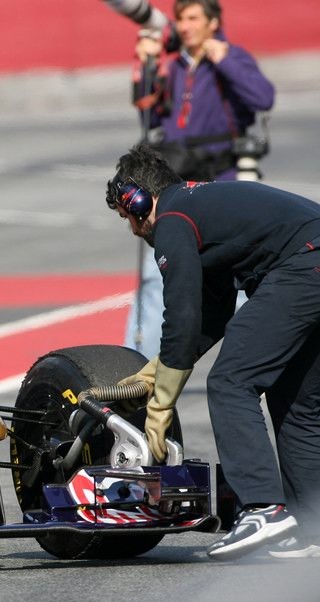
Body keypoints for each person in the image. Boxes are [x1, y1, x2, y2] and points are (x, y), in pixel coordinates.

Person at [107, 143, 320, 561]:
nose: (133, 230)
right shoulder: (200, 206)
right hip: (309, 264)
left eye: (127, 217)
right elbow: (213, 312)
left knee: (230, 381)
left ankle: (262, 509)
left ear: (138, 199)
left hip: (303, 267)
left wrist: (162, 402)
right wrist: (157, 370)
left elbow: (182, 312)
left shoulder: (171, 219)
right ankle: (312, 525)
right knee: (295, 401)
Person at [126, 0, 275, 358]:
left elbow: (262, 97)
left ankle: (258, 349)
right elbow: (151, 114)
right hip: (175, 182)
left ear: (213, 23)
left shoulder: (231, 57)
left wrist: (222, 60)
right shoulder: (174, 66)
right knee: (154, 269)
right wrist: (145, 65)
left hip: (220, 178)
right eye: (180, 19)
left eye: (193, 18)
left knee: (236, 275)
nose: (184, 26)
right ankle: (131, 358)